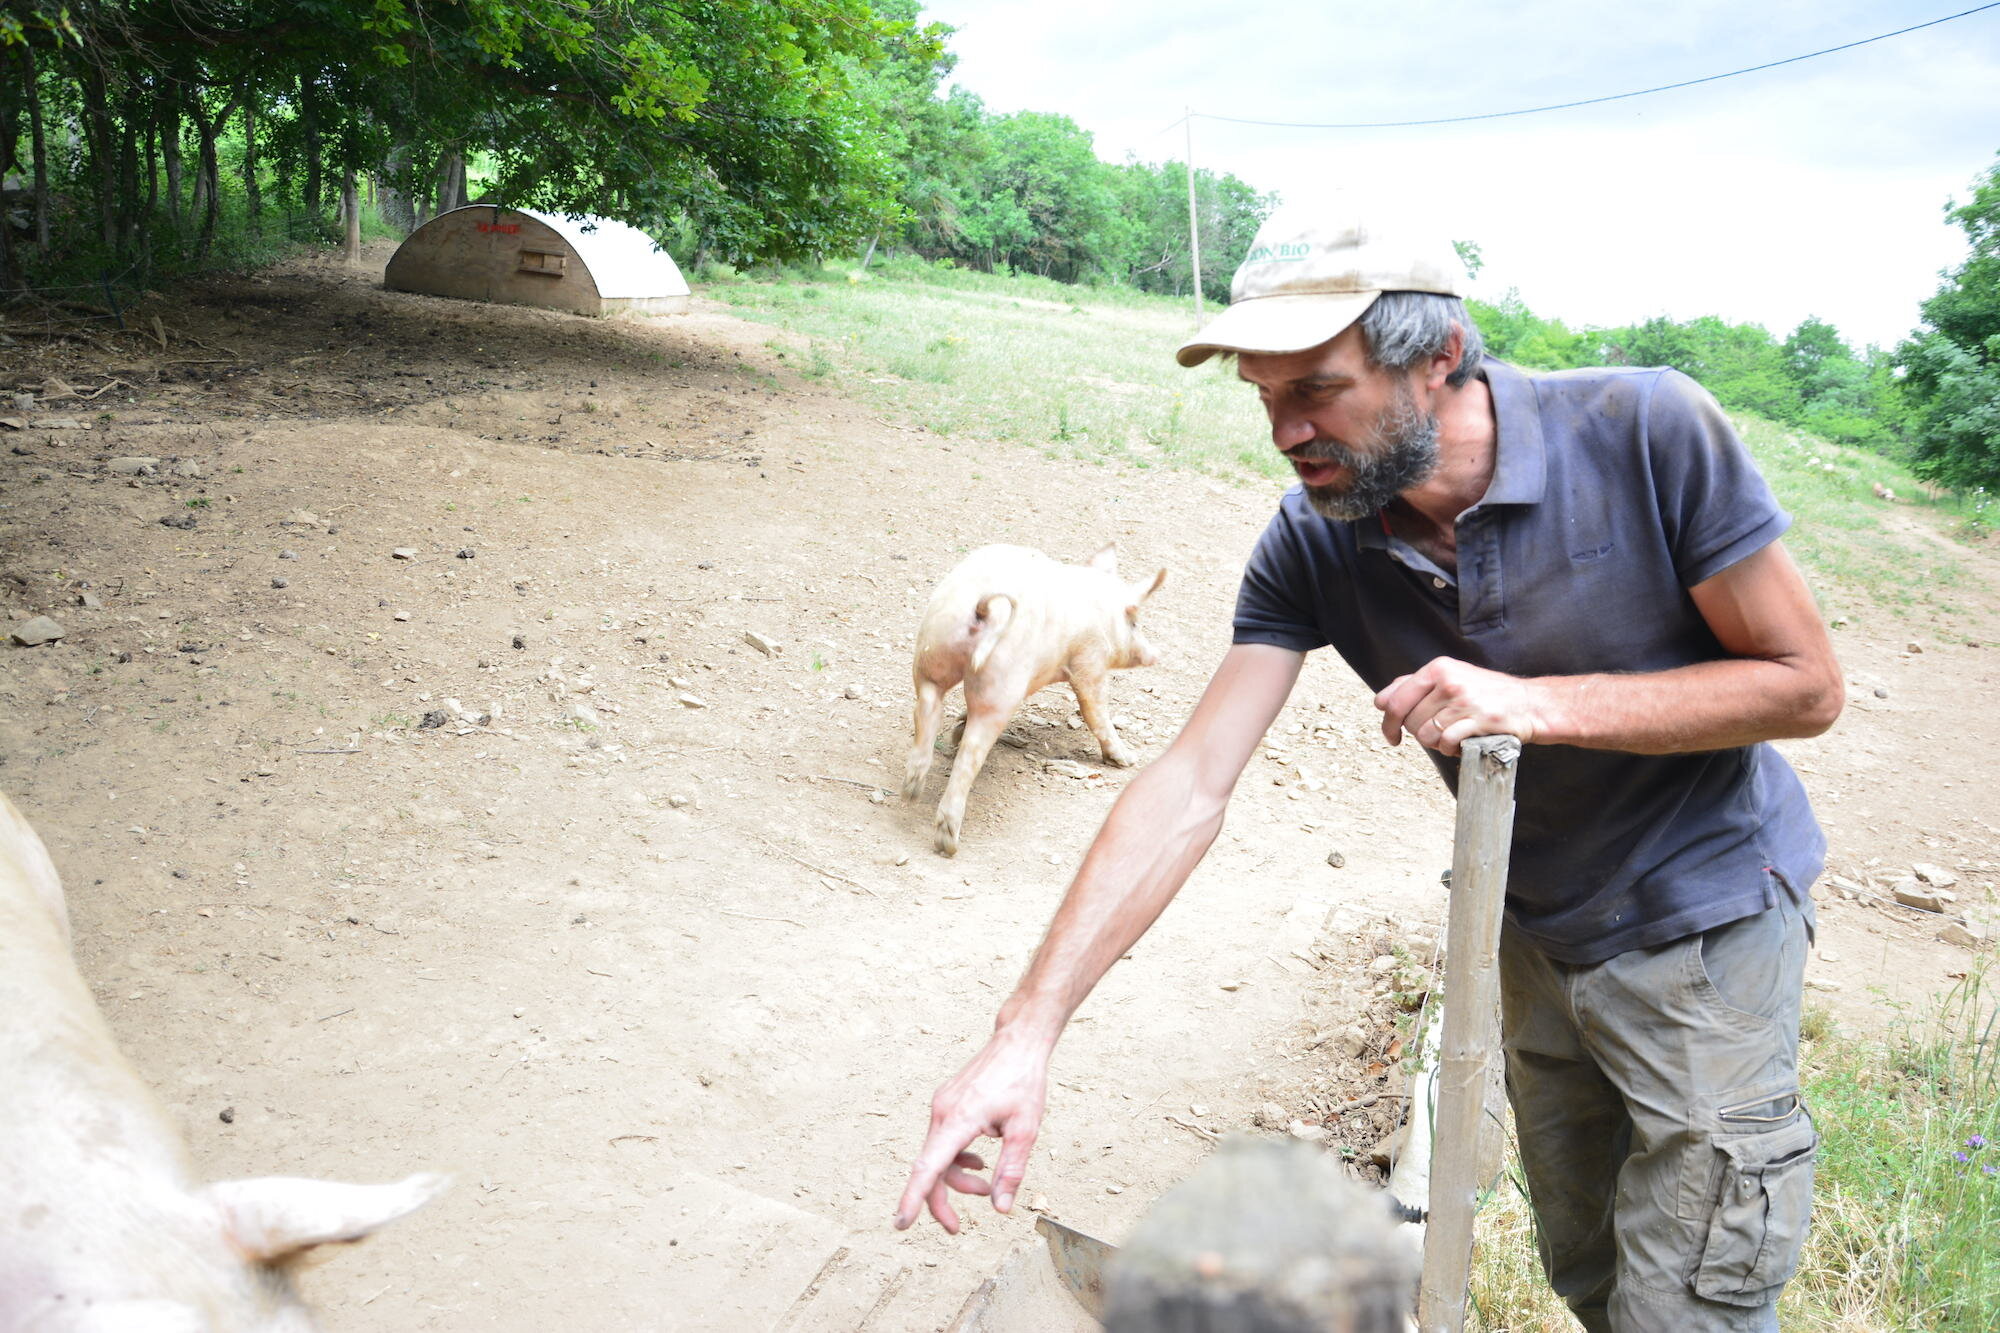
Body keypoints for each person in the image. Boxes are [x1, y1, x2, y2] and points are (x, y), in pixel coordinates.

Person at [892, 210, 1843, 1332]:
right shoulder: (1312, 538)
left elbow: (1801, 684)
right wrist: (1024, 1033)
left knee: (1690, 1300)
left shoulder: (1644, 430)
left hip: (1706, 918)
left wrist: (1535, 704)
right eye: (1261, 395)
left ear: (1437, 356)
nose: (1285, 432)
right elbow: (1190, 780)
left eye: (1317, 390)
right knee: (1589, 1269)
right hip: (1529, 931)